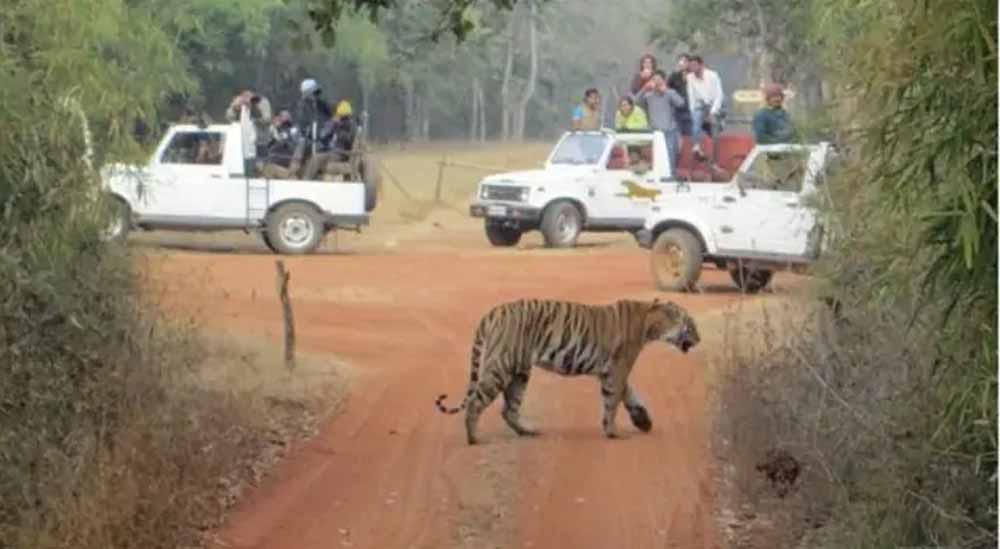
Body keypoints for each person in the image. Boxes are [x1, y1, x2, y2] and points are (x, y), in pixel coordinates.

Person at [637, 70, 685, 171]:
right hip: (654, 132)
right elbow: (635, 103)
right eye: (654, 80)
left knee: (669, 159)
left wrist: (666, 91)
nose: (657, 83)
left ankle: (670, 179)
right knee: (655, 159)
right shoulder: (648, 95)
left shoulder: (670, 92)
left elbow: (681, 103)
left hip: (669, 132)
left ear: (664, 81)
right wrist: (644, 89)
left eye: (659, 80)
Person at [686, 55, 724, 162]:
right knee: (695, 122)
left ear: (701, 65)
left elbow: (719, 95)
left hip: (713, 104)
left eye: (694, 65)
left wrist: (712, 112)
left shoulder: (712, 75)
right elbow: (691, 95)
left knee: (714, 130)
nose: (692, 68)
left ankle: (714, 159)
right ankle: (696, 148)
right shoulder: (690, 77)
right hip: (700, 105)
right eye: (691, 66)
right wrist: (692, 110)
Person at [225, 88, 272, 157]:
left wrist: (253, 106)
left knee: (260, 163)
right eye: (244, 95)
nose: (246, 98)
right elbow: (229, 118)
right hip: (241, 142)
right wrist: (234, 108)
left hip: (259, 141)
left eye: (248, 95)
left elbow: (267, 119)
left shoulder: (262, 101)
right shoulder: (238, 103)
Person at [667, 53, 693, 137]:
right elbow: (667, 88)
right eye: (680, 61)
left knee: (690, 134)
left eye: (685, 61)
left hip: (690, 110)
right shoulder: (674, 75)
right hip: (677, 111)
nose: (682, 63)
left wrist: (688, 80)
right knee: (677, 134)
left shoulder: (693, 75)